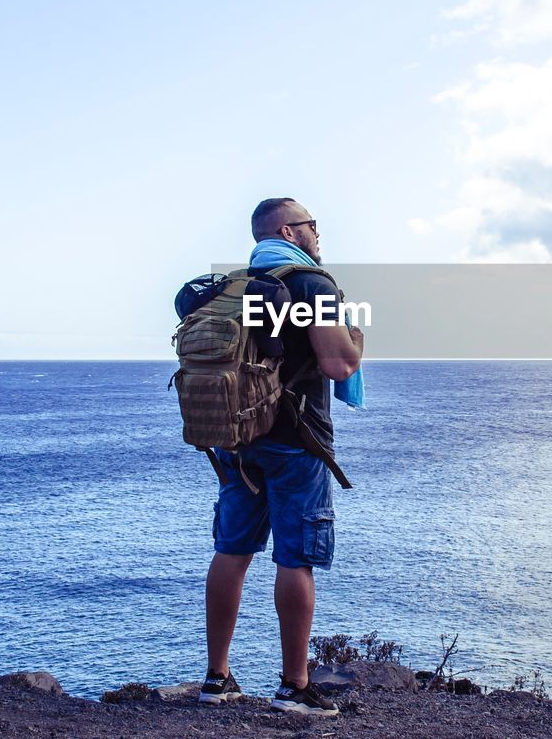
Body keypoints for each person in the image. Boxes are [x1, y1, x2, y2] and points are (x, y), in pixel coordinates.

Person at [199, 197, 364, 717]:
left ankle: (216, 678)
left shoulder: (234, 286)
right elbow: (339, 364)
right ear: (288, 231)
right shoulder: (309, 283)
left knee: (232, 551)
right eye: (311, 224)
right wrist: (356, 338)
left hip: (234, 439)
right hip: (297, 441)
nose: (318, 232)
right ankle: (295, 686)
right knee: (296, 557)